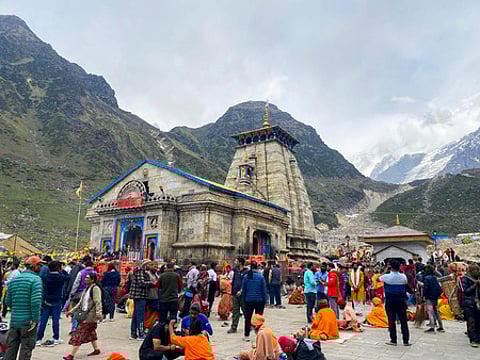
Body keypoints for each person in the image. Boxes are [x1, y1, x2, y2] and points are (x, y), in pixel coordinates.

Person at [4, 256, 43, 360]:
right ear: (34, 266)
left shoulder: (14, 280)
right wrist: (35, 320)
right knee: (26, 349)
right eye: (40, 265)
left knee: (11, 348)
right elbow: (35, 302)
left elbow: (7, 302)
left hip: (14, 321)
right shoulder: (36, 280)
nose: (41, 267)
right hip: (28, 322)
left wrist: (17, 310)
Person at [64, 272, 103, 360]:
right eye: (85, 278)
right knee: (91, 333)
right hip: (85, 314)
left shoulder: (95, 289)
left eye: (87, 278)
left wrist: (98, 313)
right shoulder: (86, 289)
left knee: (79, 334)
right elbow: (80, 303)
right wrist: (71, 311)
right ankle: (96, 349)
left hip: (91, 316)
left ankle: (71, 355)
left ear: (93, 280)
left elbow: (98, 302)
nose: (85, 279)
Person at [36, 260, 70, 346]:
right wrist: (62, 270)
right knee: (56, 320)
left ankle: (38, 339)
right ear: (58, 267)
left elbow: (41, 276)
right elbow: (68, 277)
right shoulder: (61, 277)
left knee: (43, 320)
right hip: (57, 300)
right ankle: (56, 338)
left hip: (46, 300)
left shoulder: (45, 277)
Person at [380, 260, 411, 346]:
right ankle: (406, 340)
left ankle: (393, 339)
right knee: (403, 320)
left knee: (391, 320)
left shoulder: (386, 277)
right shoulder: (403, 277)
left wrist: (386, 269)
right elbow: (406, 283)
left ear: (391, 267)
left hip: (390, 300)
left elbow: (379, 278)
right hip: (401, 300)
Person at [68, 257, 95, 334]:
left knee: (76, 311)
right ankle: (84, 328)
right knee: (87, 311)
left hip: (79, 294)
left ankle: (74, 328)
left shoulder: (81, 273)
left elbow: (76, 284)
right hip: (90, 295)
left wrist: (72, 293)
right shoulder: (95, 273)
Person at [242, 262, 267, 342]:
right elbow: (264, 290)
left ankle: (246, 335)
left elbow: (244, 289)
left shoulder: (246, 277)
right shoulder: (261, 277)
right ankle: (259, 336)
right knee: (259, 319)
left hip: (249, 300)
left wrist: (244, 299)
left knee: (248, 318)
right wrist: (265, 300)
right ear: (257, 268)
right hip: (259, 300)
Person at [130, 259, 154, 340]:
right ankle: (140, 334)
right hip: (140, 295)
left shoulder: (141, 271)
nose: (150, 267)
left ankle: (133, 333)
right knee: (140, 315)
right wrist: (152, 283)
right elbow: (141, 283)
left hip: (139, 295)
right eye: (149, 265)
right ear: (145, 265)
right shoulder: (140, 271)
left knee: (136, 315)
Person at [461, 264, 480, 347]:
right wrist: (474, 285)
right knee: (471, 321)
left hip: (478, 303)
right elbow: (466, 291)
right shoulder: (465, 279)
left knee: (478, 321)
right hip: (469, 303)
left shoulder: (478, 278)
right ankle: (473, 339)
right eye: (476, 270)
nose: (478, 272)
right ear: (472, 271)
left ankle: (478, 338)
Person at [228, 257, 248, 334]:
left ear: (240, 262)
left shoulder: (246, 272)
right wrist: (232, 292)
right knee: (235, 311)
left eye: (236, 261)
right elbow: (233, 281)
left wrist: (242, 290)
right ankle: (233, 327)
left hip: (243, 295)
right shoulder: (235, 270)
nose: (235, 262)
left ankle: (249, 325)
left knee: (245, 311)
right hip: (235, 294)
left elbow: (246, 283)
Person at [423, 264, 444, 333]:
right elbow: (439, 288)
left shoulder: (426, 278)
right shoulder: (435, 277)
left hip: (429, 297)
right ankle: (441, 326)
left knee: (430, 312)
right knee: (436, 311)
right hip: (435, 297)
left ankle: (432, 327)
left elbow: (426, 288)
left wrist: (423, 295)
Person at [145, 262, 160, 330]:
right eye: (154, 266)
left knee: (154, 311)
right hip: (149, 295)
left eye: (157, 267)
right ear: (150, 266)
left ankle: (150, 325)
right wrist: (154, 284)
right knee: (149, 311)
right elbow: (146, 283)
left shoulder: (156, 274)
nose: (156, 268)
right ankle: (146, 325)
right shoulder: (147, 274)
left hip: (156, 295)